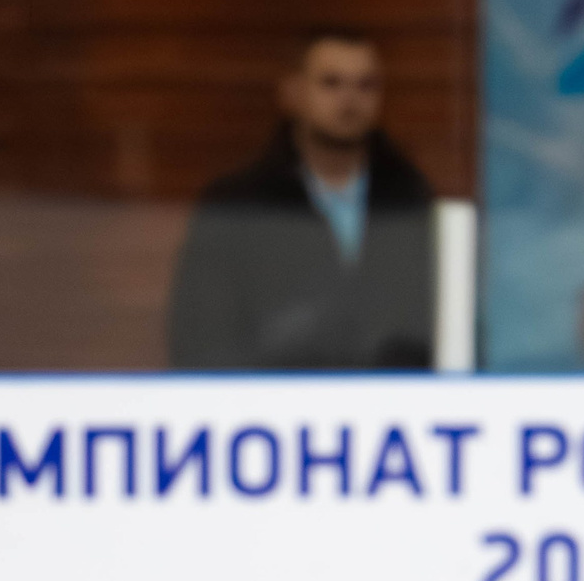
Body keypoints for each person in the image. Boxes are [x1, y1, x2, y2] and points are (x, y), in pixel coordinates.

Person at [167, 31, 437, 369]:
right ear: (292, 92)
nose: (349, 100)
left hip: (394, 411)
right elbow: (201, 337)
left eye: (366, 85)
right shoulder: (238, 206)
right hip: (273, 410)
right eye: (331, 83)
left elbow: (443, 326)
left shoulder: (413, 201)